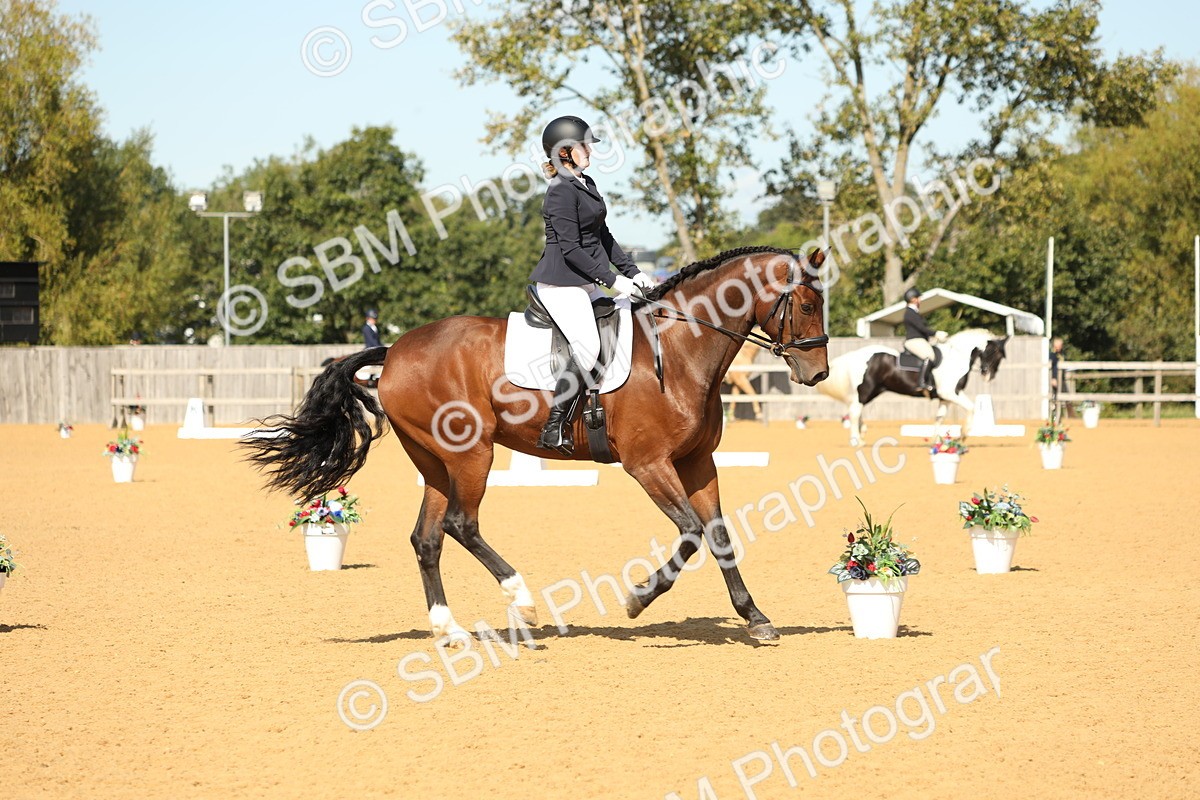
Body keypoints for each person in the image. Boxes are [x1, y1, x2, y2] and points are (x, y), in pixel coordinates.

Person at [529, 115, 656, 454]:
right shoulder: (559, 192)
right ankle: (554, 427)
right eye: (584, 146)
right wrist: (614, 281)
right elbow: (571, 250)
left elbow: (604, 237)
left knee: (630, 322)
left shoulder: (586, 183)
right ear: (565, 152)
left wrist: (634, 272)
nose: (590, 151)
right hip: (561, 284)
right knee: (587, 346)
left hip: (586, 282)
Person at [902, 288, 946, 393]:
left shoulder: (914, 312)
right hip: (913, 340)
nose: (920, 300)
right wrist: (936, 333)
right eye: (918, 298)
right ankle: (921, 382)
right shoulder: (909, 313)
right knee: (929, 356)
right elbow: (921, 328)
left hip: (919, 340)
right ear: (913, 299)